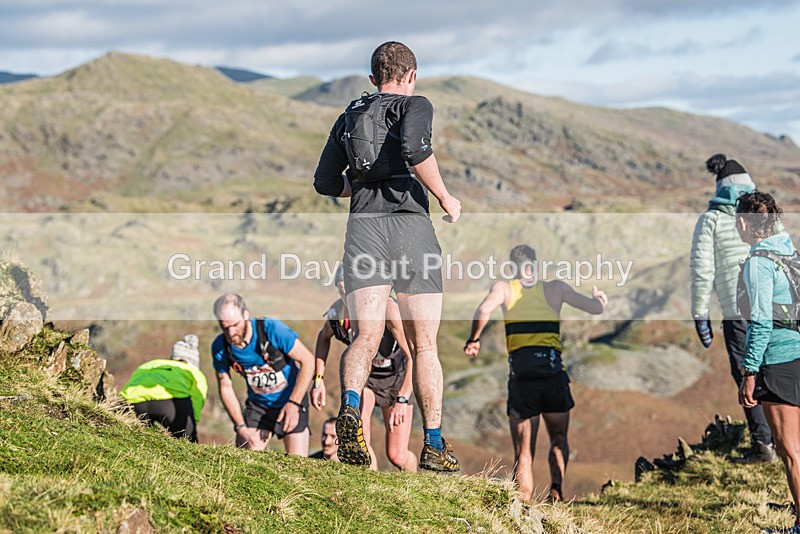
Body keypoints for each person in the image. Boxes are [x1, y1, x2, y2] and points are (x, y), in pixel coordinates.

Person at [313, 41, 461, 471]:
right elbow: (416, 152)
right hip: (410, 228)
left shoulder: (348, 116)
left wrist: (359, 189)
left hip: (364, 229)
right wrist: (446, 197)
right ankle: (433, 443)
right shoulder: (415, 105)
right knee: (425, 344)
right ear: (411, 75)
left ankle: (349, 413)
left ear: (374, 78)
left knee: (364, 335)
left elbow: (325, 182)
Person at [464, 245, 607, 503]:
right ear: (535, 266)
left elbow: (484, 310)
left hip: (522, 379)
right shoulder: (555, 288)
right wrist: (599, 299)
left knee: (524, 452)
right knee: (559, 438)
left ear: (512, 268)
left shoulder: (504, 289)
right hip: (553, 375)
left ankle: (525, 510)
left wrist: (474, 340)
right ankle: (556, 489)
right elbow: (595, 309)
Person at [691, 153, 776, 463]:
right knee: (774, 369)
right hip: (771, 307)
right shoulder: (762, 214)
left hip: (736, 312)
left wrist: (700, 313)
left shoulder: (710, 220)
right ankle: (781, 439)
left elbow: (702, 269)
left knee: (746, 374)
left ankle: (764, 445)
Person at [736, 191, 800, 534]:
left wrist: (749, 371)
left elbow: (760, 322)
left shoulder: (759, 263)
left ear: (746, 222)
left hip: (778, 360)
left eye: (737, 221)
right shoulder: (791, 253)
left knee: (791, 452)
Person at [312, 266, 417, 471]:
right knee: (361, 437)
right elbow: (322, 338)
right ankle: (371, 489)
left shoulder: (388, 310)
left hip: (398, 379)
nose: (346, 296)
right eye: (341, 291)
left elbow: (415, 355)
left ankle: (417, 487)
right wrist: (318, 380)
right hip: (366, 380)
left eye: (350, 290)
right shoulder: (338, 314)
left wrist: (403, 398)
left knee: (397, 455)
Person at [211, 293, 314, 456]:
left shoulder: (272, 329)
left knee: (299, 464)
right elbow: (225, 387)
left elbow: (308, 361)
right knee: (246, 458)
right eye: (224, 327)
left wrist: (294, 403)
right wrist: (240, 427)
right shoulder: (220, 347)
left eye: (235, 325)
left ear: (245, 315)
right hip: (258, 406)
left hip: (291, 399)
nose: (231, 333)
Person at [120, 334, 207, 442]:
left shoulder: (152, 364)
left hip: (131, 401)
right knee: (187, 442)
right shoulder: (193, 372)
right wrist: (192, 426)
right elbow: (197, 399)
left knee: (132, 439)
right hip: (169, 403)